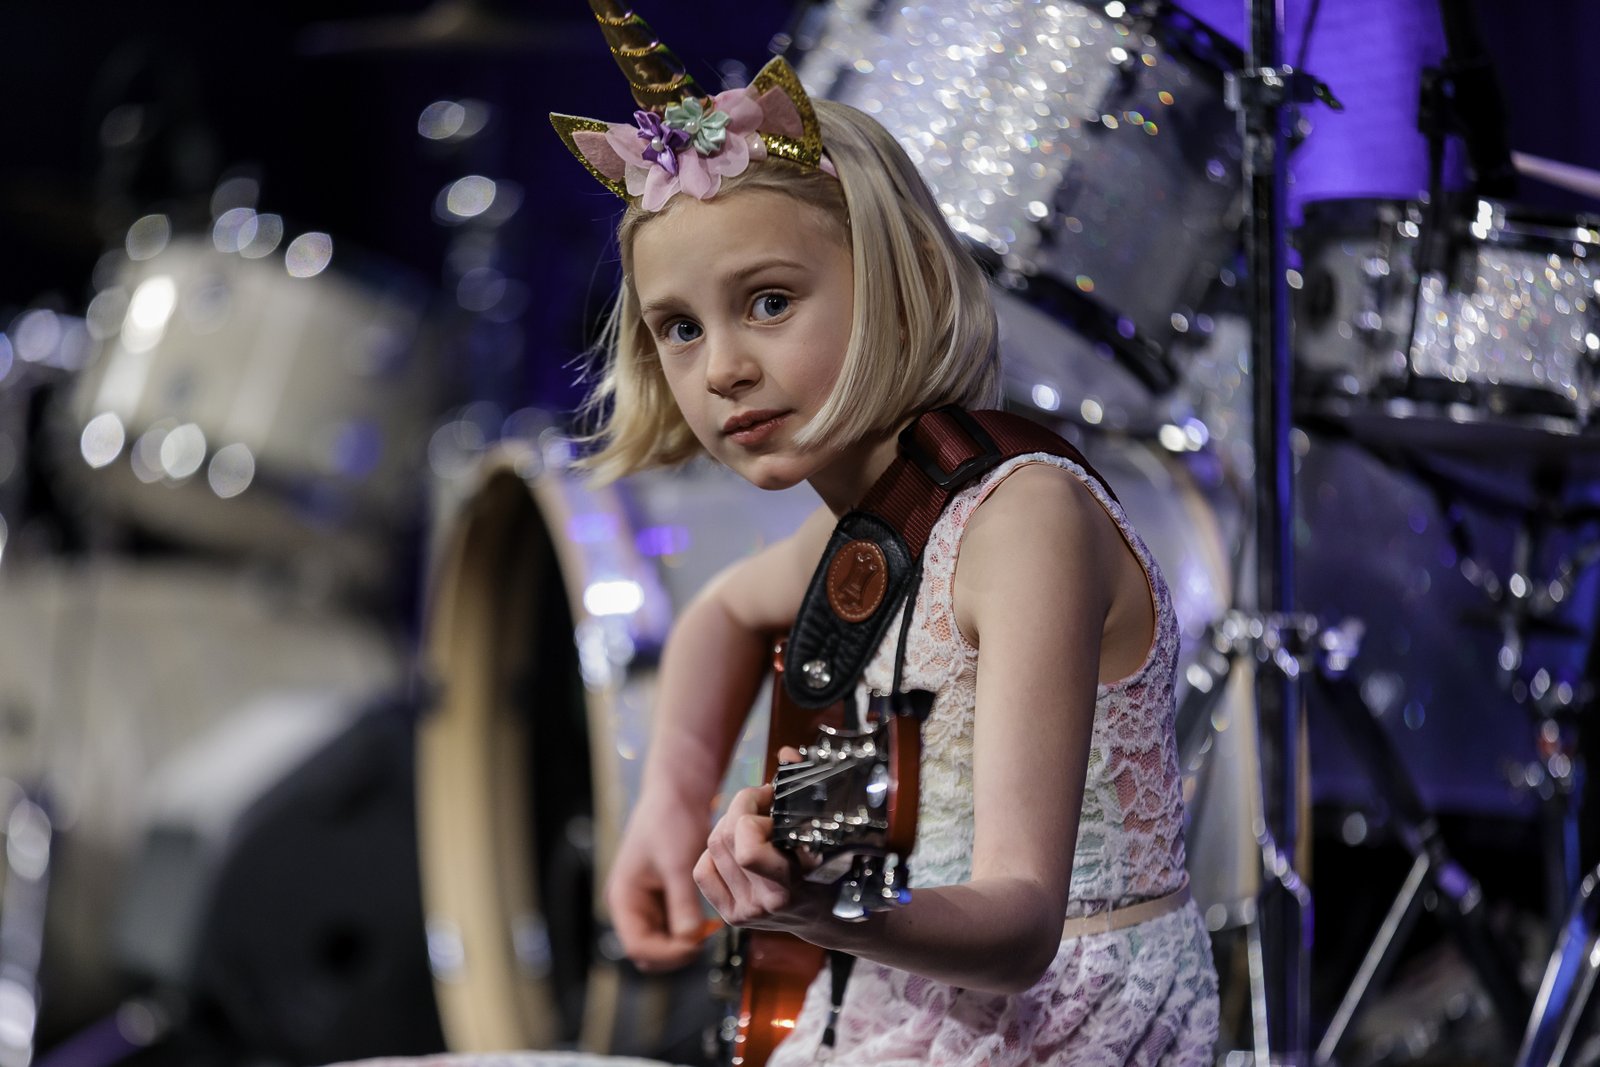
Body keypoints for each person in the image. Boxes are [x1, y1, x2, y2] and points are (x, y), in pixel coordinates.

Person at [548, 11, 1221, 1065]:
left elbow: (1020, 925)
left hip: (1062, 1028)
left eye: (770, 301)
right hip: (902, 1001)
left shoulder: (1022, 522)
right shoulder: (878, 519)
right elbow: (723, 612)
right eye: (680, 326)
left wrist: (824, 907)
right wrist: (667, 812)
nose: (721, 367)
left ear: (899, 283)